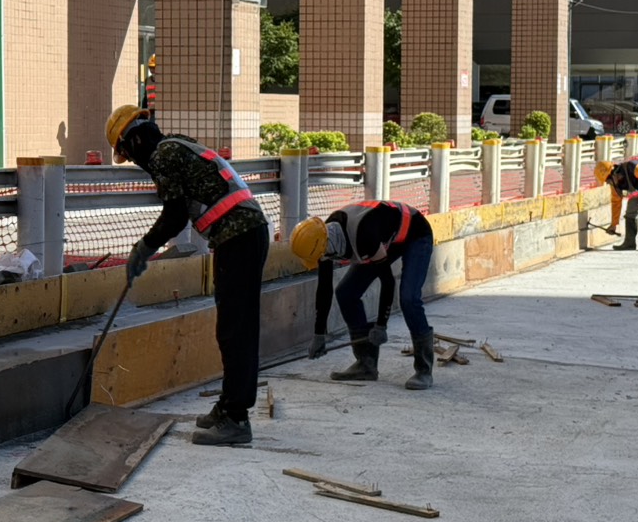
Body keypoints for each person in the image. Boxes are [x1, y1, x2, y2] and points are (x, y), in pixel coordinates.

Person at [106, 105, 269, 446]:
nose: (133, 161)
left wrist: (144, 248)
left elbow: (175, 216)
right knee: (232, 327)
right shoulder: (177, 144)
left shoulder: (163, 155)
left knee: (236, 330)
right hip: (241, 234)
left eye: (127, 154)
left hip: (239, 237)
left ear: (134, 141)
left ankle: (237, 418)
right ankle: (228, 404)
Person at [290, 199, 436, 390]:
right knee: (346, 293)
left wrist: (381, 325)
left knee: (409, 298)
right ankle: (365, 364)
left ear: (324, 245)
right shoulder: (322, 239)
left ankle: (424, 370)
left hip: (415, 233)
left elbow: (388, 281)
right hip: (385, 238)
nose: (320, 259)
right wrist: (319, 334)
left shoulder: (363, 235)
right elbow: (324, 289)